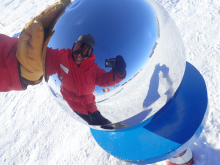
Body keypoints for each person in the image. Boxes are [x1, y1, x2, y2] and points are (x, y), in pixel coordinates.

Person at [0, 0, 126, 125]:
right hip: (76, 108)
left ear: (90, 54)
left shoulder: (92, 68)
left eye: (86, 51)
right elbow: (46, 56)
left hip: (92, 108)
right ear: (73, 46)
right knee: (93, 124)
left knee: (107, 125)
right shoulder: (61, 57)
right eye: (78, 48)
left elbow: (105, 80)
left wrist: (119, 72)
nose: (80, 55)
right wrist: (21, 61)